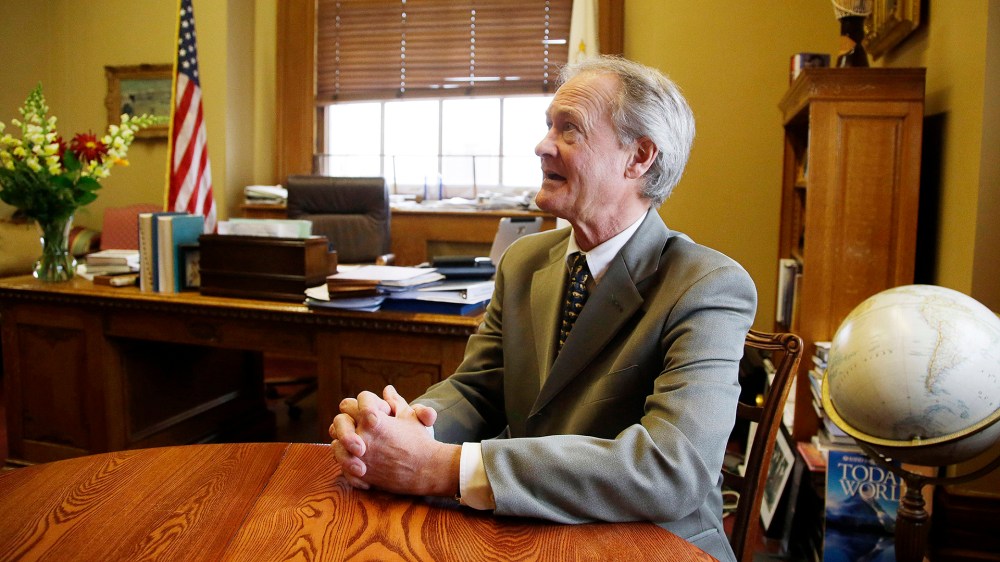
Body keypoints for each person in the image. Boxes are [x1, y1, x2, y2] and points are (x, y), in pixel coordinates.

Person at [329, 55, 756, 562]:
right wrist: (398, 431)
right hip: (531, 529)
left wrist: (444, 467)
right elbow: (475, 390)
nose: (542, 145)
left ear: (638, 157)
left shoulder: (707, 286)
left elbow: (672, 469)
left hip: (652, 544)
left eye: (569, 129)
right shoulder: (524, 261)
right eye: (548, 126)